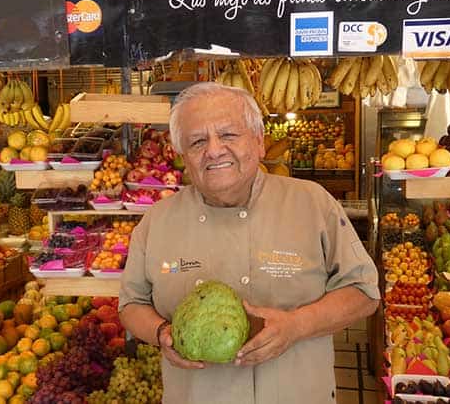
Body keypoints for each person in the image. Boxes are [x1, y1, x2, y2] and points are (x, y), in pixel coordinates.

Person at [119, 82, 380, 404]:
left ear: (259, 142)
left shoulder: (312, 203)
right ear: (183, 156)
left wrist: (297, 325)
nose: (214, 150)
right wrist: (162, 334)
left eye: (228, 135)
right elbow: (131, 304)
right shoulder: (156, 222)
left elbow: (364, 292)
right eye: (198, 141)